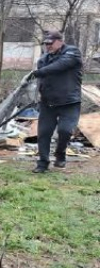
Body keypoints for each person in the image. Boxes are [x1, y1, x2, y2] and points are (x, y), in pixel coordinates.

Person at [29, 31, 83, 173]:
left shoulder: (73, 52)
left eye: (50, 43)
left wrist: (38, 72)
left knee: (65, 131)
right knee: (44, 133)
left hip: (69, 102)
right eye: (46, 44)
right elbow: (42, 79)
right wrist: (38, 94)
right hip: (48, 103)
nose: (48, 46)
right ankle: (42, 163)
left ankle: (60, 153)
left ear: (60, 41)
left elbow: (60, 65)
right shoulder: (44, 59)